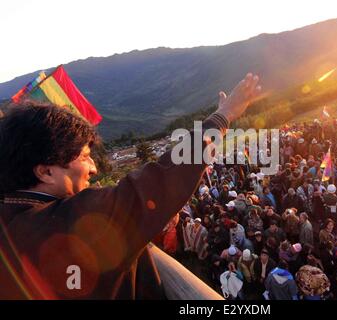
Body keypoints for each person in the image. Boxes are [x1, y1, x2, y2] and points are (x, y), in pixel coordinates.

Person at [0, 73, 261, 299]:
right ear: (45, 171)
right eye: (83, 157)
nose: (93, 168)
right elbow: (158, 182)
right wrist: (224, 116)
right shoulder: (69, 222)